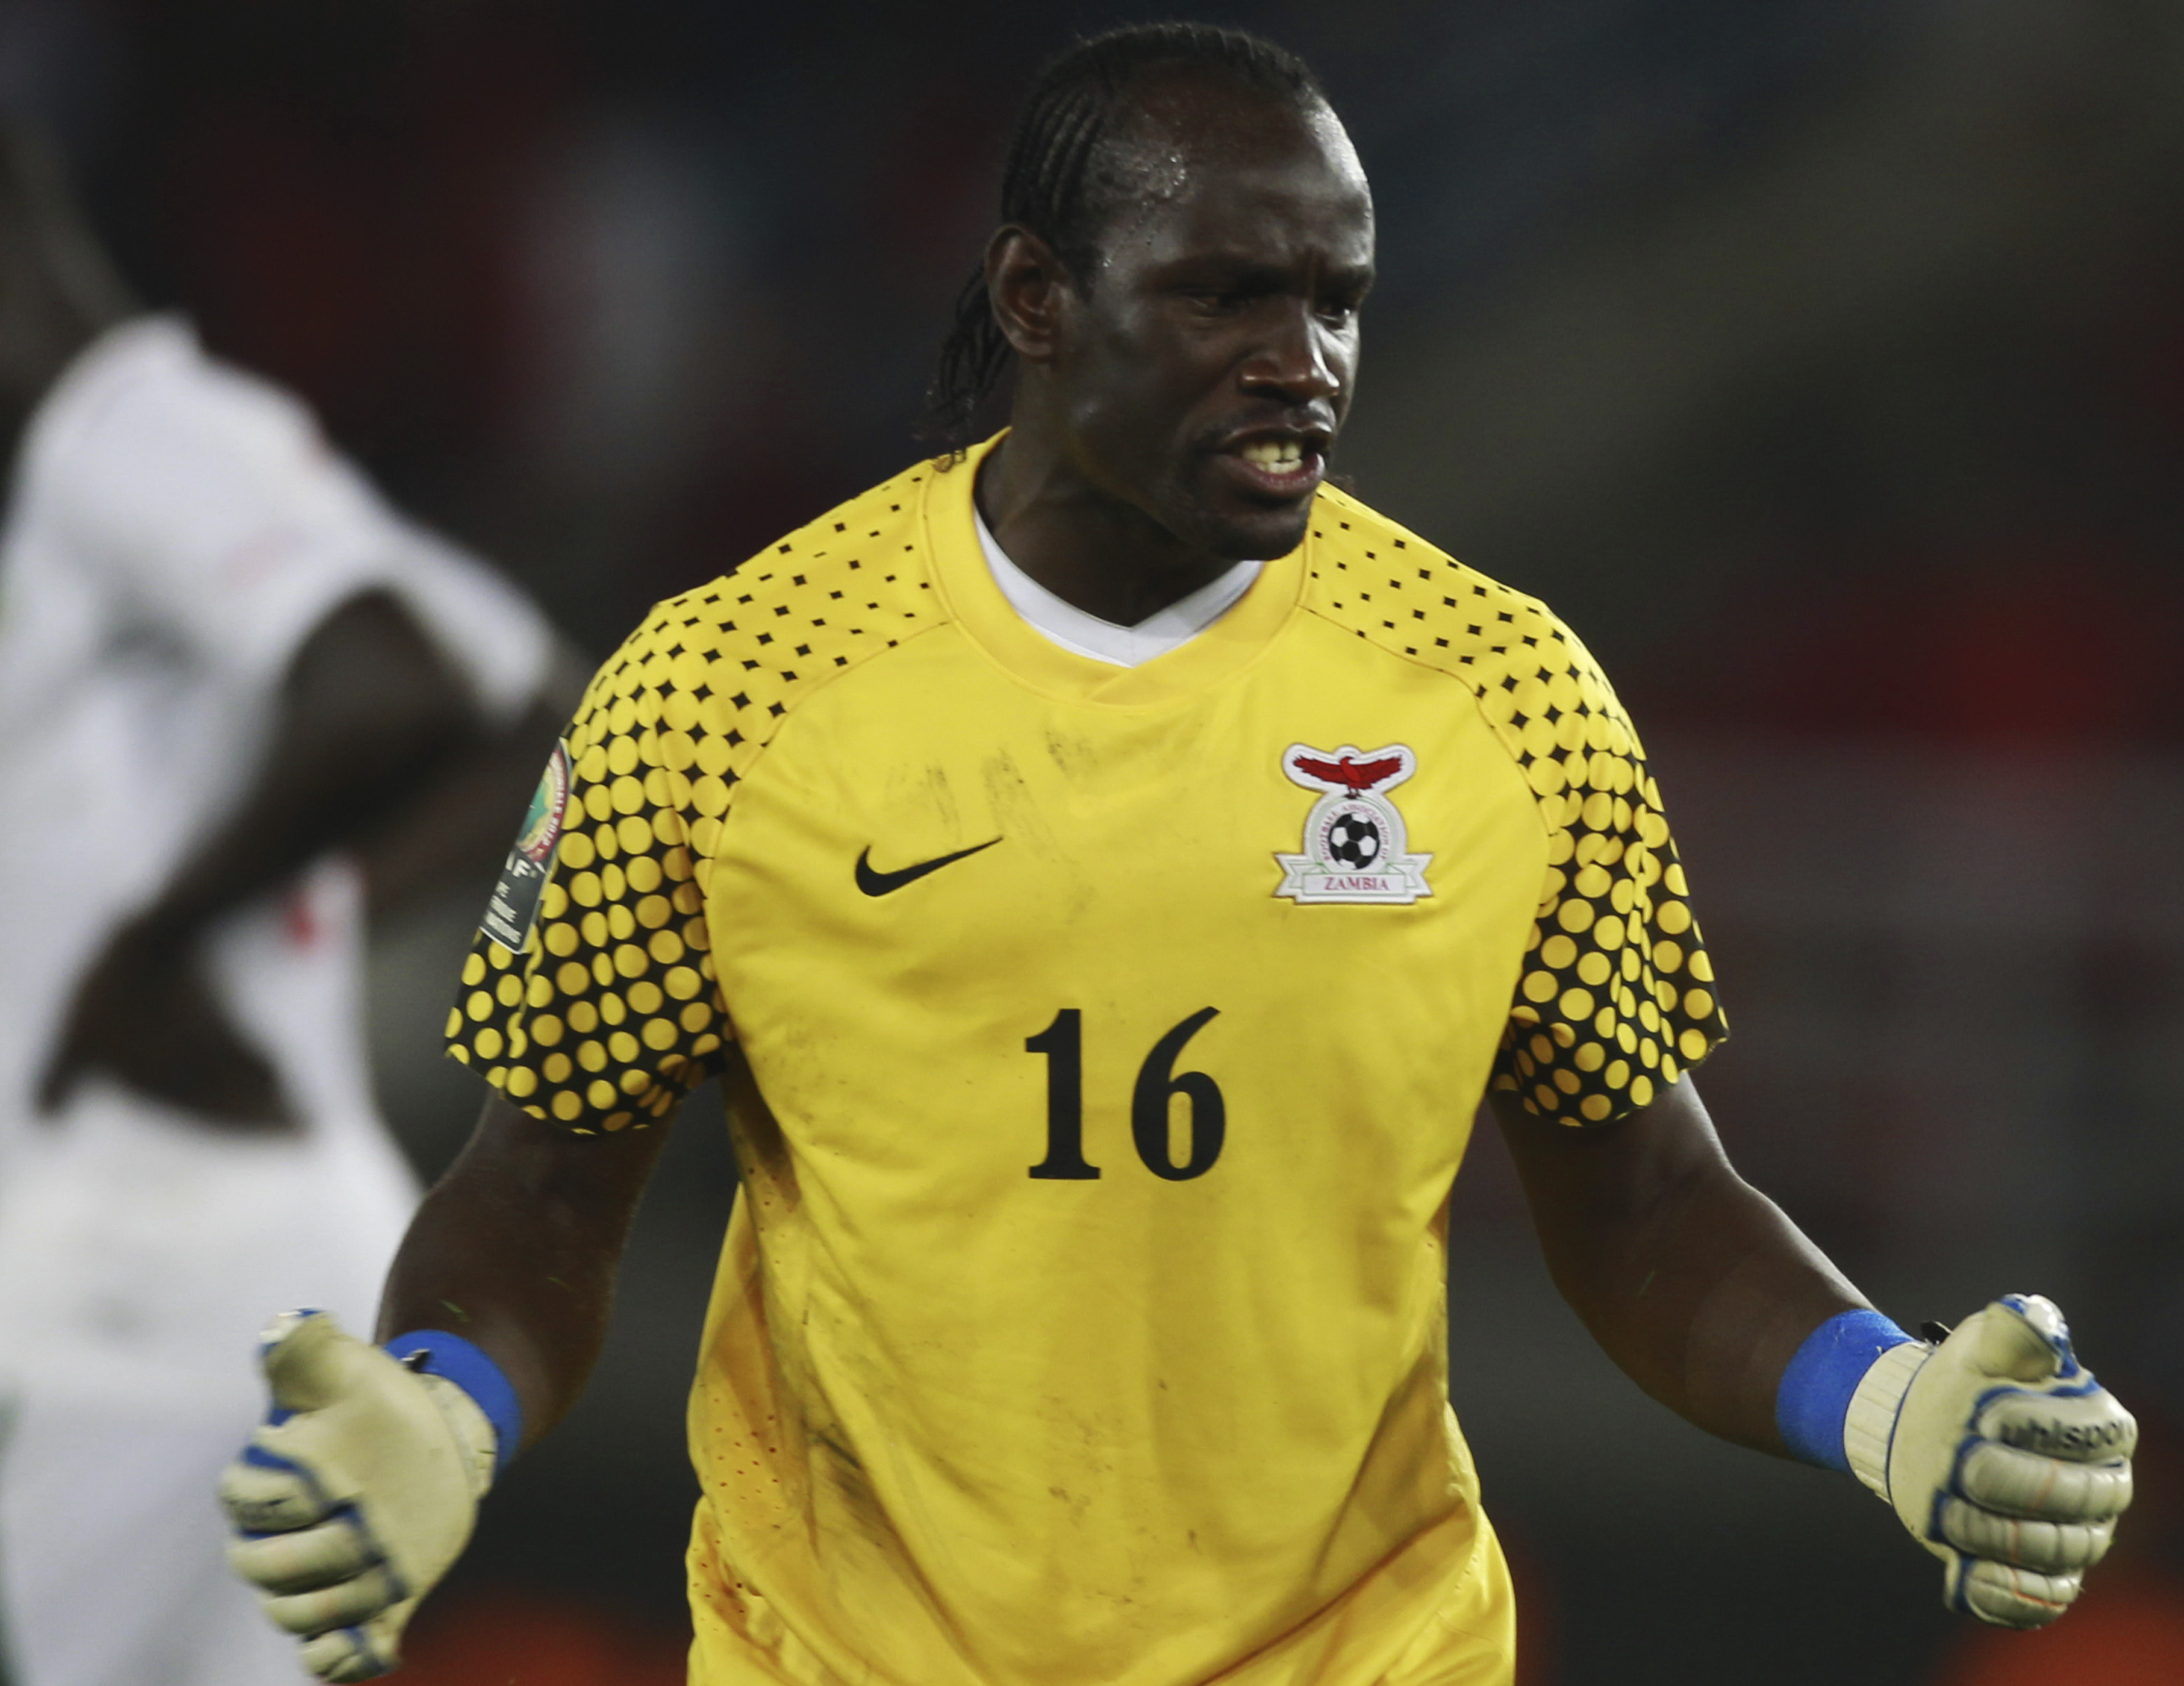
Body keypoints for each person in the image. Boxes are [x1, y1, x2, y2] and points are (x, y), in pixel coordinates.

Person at [219, 24, 2138, 1686]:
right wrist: (441, 1414)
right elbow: (541, 1188)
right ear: (1037, 297)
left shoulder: (1508, 692)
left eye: (1339, 301)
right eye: (1226, 294)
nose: (1299, 359)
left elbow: (1640, 1197)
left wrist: (1884, 1400)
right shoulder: (728, 688)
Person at [0, 112, 568, 1685]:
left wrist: (164, 938)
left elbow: (389, 682)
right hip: (297, 1271)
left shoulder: (121, 434)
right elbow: (557, 728)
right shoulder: (193, 458)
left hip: (130, 1276)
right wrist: (303, 905)